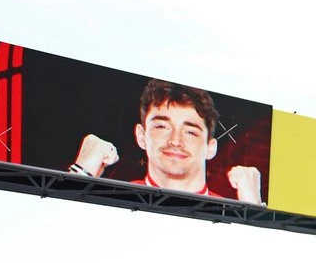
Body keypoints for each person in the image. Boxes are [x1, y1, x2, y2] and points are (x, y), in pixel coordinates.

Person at [70, 79, 262, 202]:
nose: (175, 140)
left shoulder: (228, 213)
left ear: (210, 148)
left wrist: (253, 209)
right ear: (141, 136)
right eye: (162, 127)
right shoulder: (113, 198)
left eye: (190, 132)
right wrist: (80, 174)